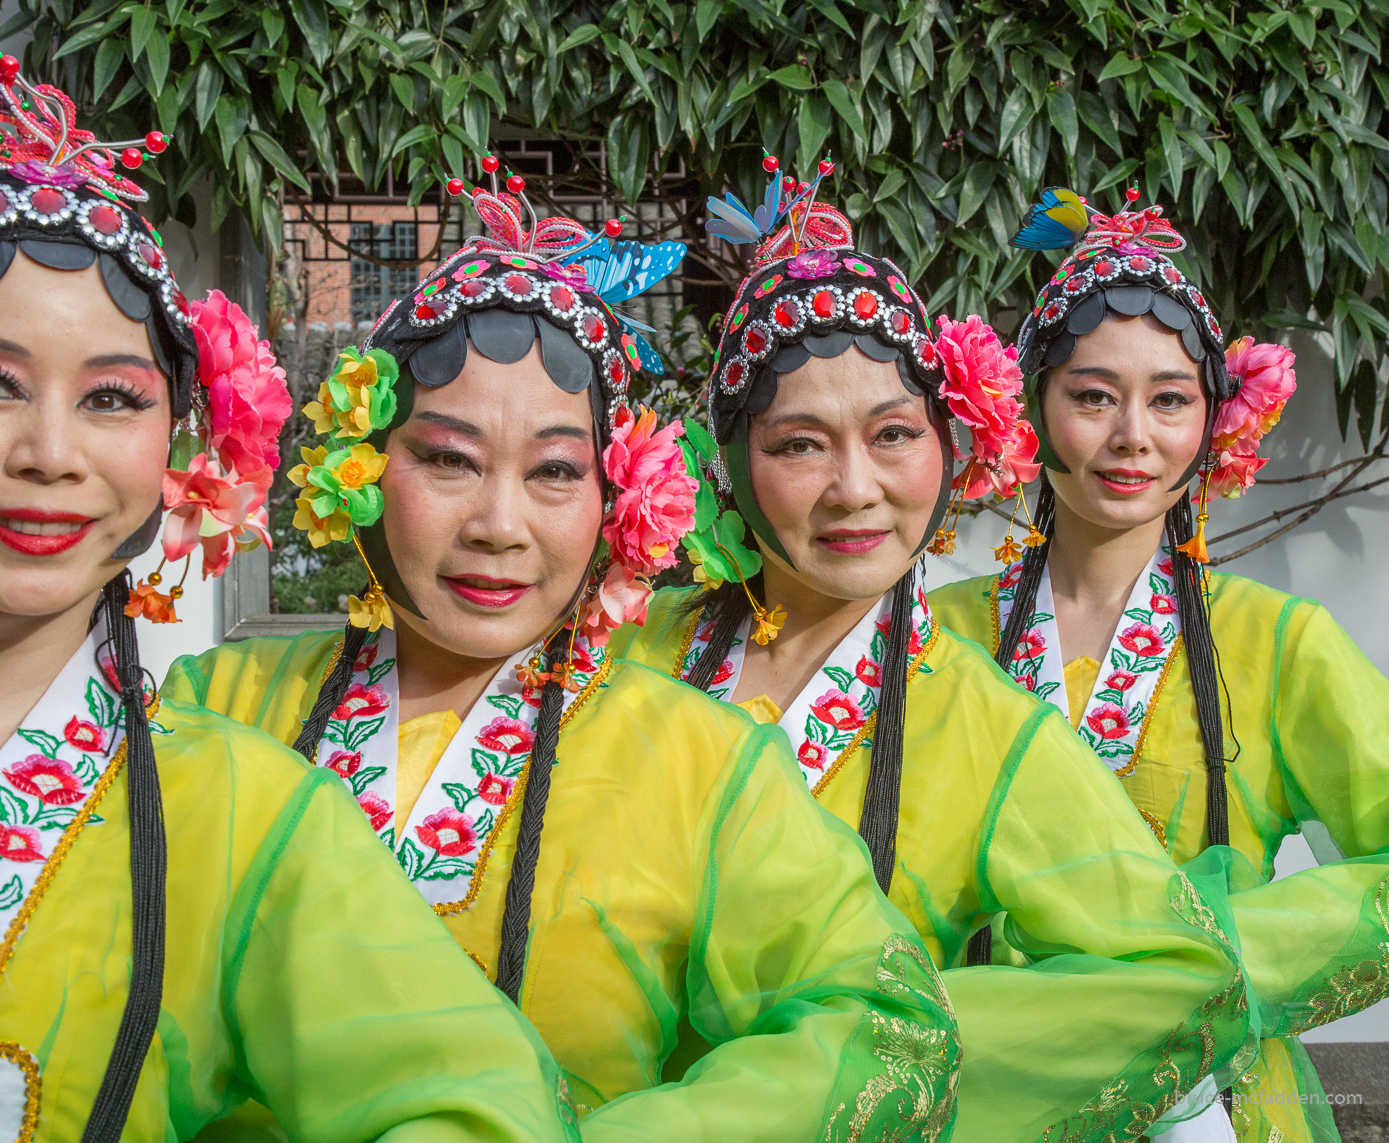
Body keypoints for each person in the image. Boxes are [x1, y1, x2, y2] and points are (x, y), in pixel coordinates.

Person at [0, 61, 581, 1143]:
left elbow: (480, 1109)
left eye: (113, 398)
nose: (52, 454)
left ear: (182, 446)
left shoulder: (248, 812)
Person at [162, 163, 961, 1142]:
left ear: (613, 498)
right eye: (448, 460)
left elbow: (884, 1025)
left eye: (552, 471)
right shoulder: (212, 711)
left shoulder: (700, 761)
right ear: (360, 462)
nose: (499, 525)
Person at [610, 157, 1252, 1141]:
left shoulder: (984, 720)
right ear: (729, 465)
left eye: (893, 434)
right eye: (798, 444)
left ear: (951, 454)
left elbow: (1170, 978)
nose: (854, 488)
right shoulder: (620, 661)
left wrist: (892, 1055)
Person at [931, 186, 1389, 1143]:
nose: (1133, 435)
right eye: (1093, 395)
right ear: (1031, 405)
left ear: (1210, 422)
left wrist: (1208, 965)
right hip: (990, 1097)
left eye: (1169, 399)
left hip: (1218, 1097)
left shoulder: (1278, 643)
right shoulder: (939, 640)